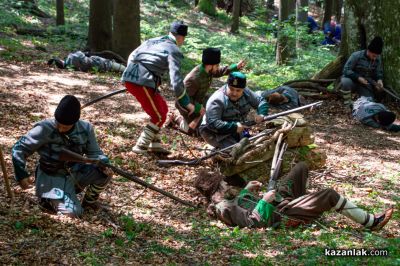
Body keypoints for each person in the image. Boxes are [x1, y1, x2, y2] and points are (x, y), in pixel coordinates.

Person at [195, 162, 393, 230]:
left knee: (300, 168)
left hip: (280, 203)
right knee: (329, 195)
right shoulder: (223, 208)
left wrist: (246, 189)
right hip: (282, 215)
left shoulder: (226, 199)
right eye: (222, 183)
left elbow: (241, 202)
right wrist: (264, 201)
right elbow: (253, 222)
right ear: (215, 190)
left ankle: (307, 205)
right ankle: (371, 222)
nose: (226, 183)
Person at [12, 95, 112, 218]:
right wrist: (21, 174)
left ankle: (89, 202)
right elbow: (19, 149)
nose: (60, 129)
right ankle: (47, 198)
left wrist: (103, 162)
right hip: (51, 176)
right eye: (58, 124)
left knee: (105, 173)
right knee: (73, 213)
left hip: (74, 172)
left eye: (65, 126)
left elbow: (95, 153)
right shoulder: (44, 128)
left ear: (75, 122)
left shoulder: (86, 129)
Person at [122, 21, 194, 154]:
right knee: (158, 115)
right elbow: (176, 81)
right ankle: (141, 146)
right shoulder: (174, 50)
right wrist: (186, 103)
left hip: (137, 79)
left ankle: (155, 145)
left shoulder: (152, 40)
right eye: (184, 39)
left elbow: (132, 55)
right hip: (142, 81)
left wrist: (128, 76)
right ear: (181, 37)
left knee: (163, 108)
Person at [167, 48, 246, 136]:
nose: (218, 67)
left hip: (200, 101)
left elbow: (219, 71)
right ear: (210, 65)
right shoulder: (193, 79)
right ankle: (176, 118)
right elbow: (182, 99)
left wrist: (235, 67)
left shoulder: (208, 70)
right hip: (187, 107)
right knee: (198, 132)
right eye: (216, 65)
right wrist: (198, 108)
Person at [199, 72, 269, 149]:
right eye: (231, 89)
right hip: (212, 132)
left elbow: (261, 101)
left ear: (243, 89)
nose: (234, 93)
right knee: (235, 152)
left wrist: (262, 114)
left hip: (236, 128)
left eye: (238, 90)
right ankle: (211, 148)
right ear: (227, 85)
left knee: (248, 146)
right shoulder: (217, 99)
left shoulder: (246, 92)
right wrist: (234, 127)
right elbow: (213, 123)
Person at [340, 36, 384, 106]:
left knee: (369, 100)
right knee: (345, 82)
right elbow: (346, 70)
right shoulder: (356, 56)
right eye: (373, 56)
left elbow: (378, 72)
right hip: (352, 80)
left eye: (376, 56)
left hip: (365, 83)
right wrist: (358, 77)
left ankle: (360, 104)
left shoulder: (377, 58)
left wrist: (379, 80)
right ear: (368, 51)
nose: (375, 58)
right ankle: (347, 102)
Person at [48, 51, 126, 73]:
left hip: (101, 66)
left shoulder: (70, 68)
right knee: (124, 69)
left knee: (122, 69)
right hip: (103, 63)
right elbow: (85, 54)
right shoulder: (73, 56)